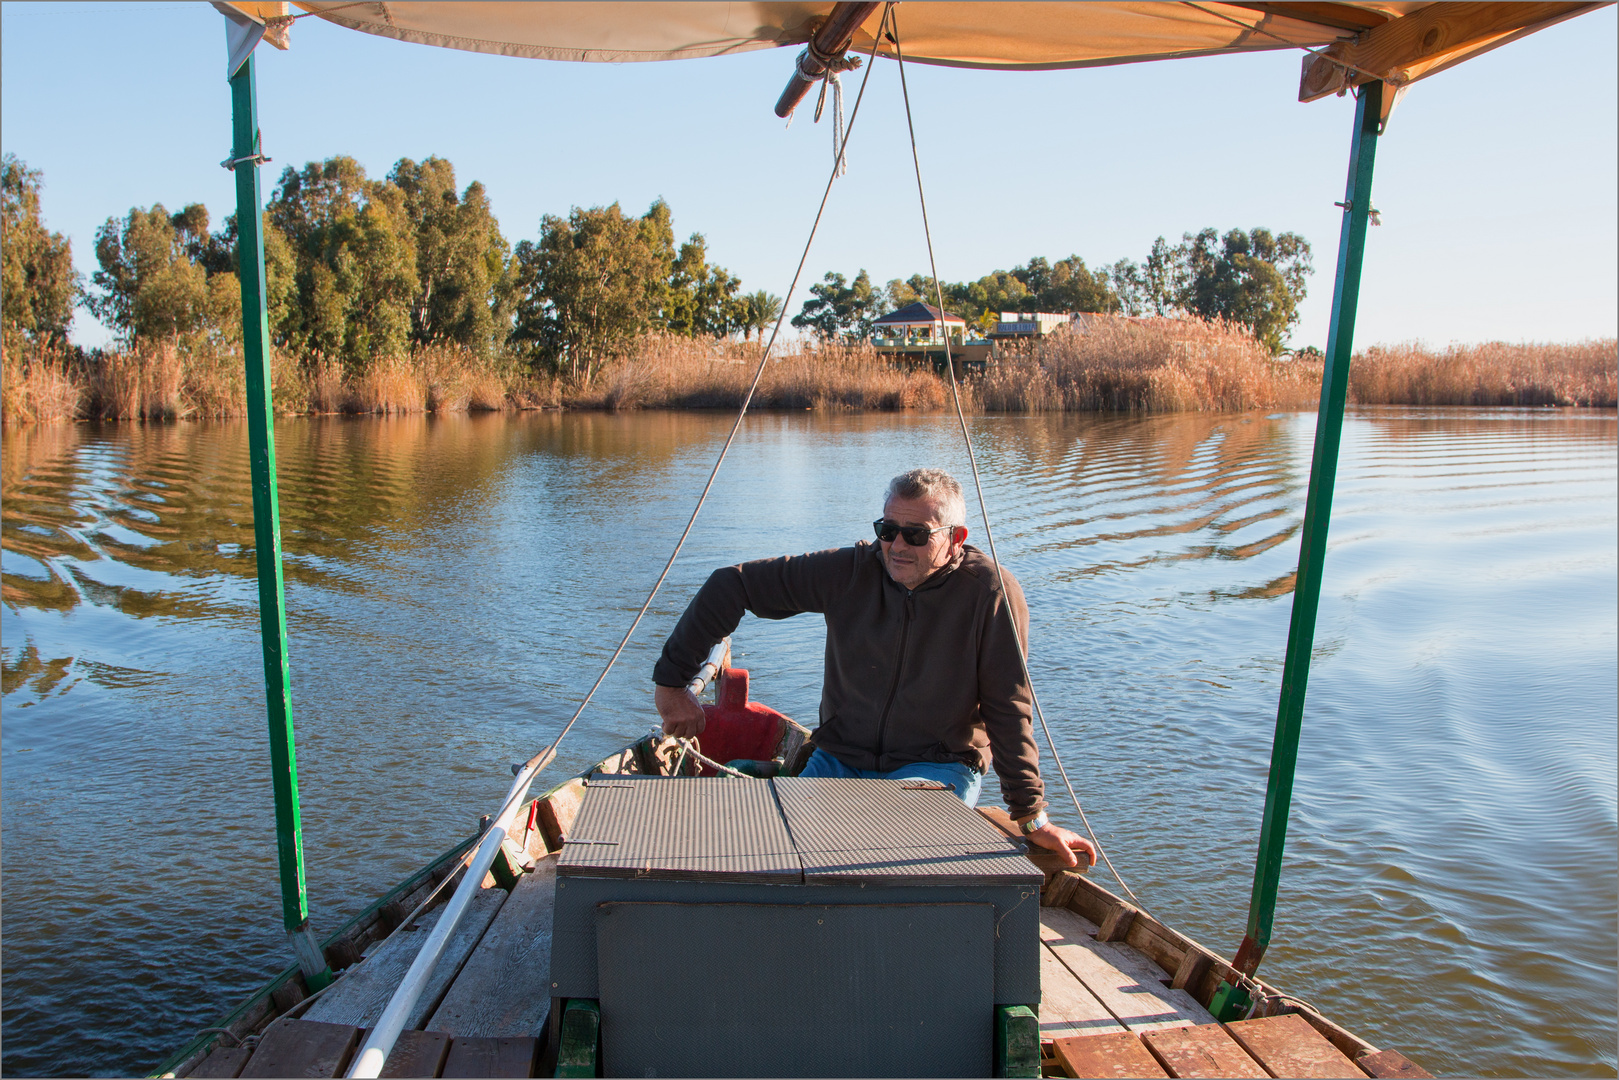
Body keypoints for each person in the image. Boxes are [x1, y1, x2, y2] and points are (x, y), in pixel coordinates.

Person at [653, 467, 1095, 868]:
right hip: (839, 757)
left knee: (890, 859)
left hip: (936, 766)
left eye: (916, 534)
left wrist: (1032, 817)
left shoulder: (990, 594)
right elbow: (732, 585)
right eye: (888, 529)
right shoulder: (851, 572)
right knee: (773, 855)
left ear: (955, 538)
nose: (897, 545)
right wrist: (672, 684)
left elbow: (1008, 708)